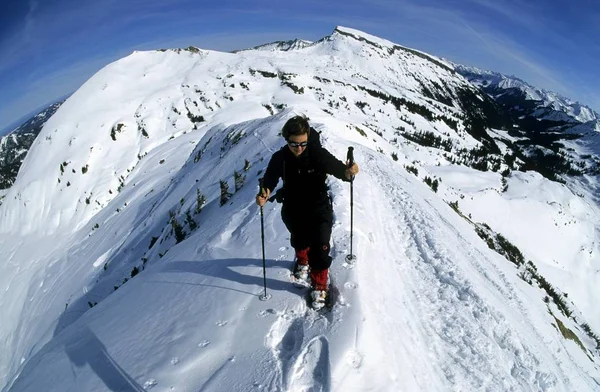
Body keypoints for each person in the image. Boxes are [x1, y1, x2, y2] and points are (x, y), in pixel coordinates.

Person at [256, 116, 359, 309]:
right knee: (300, 238)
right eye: (294, 144)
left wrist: (349, 171)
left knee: (320, 245)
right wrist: (265, 192)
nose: (299, 148)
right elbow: (270, 179)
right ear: (286, 139)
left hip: (319, 206)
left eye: (303, 143)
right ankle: (302, 260)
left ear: (308, 138)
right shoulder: (280, 158)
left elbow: (339, 170)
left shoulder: (317, 154)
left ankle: (320, 286)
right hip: (293, 207)